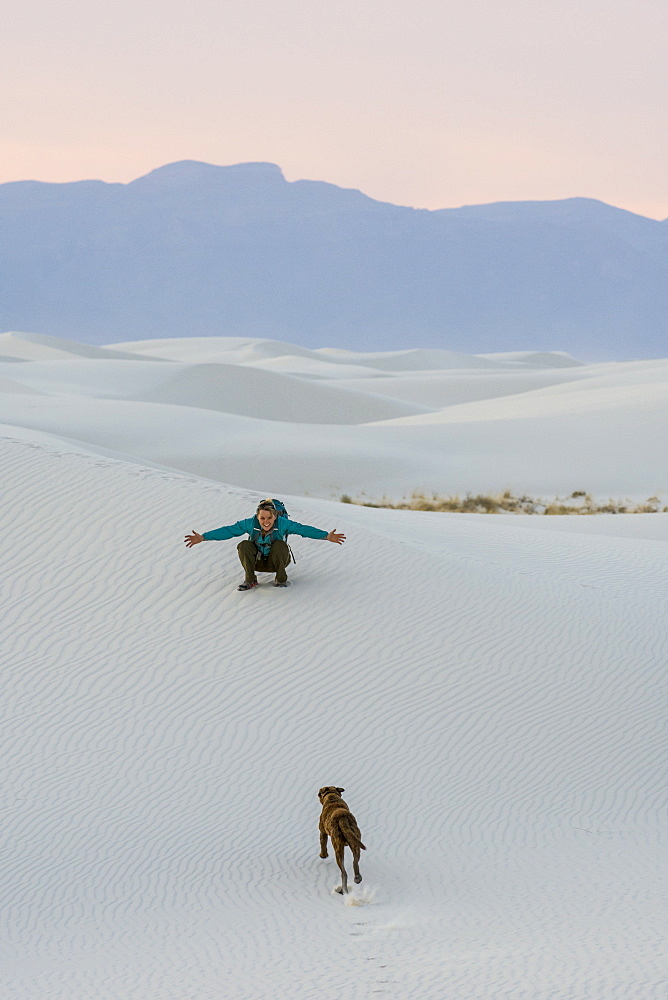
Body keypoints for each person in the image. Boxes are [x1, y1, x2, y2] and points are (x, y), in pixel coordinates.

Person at [184, 499, 346, 590]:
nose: (266, 521)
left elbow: (303, 529)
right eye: (262, 518)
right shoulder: (249, 523)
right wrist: (204, 537)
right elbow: (229, 530)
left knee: (280, 545)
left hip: (277, 562)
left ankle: (281, 579)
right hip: (258, 562)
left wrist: (325, 536)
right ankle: (250, 580)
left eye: (269, 518)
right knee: (244, 545)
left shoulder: (283, 523)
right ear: (257, 517)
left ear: (275, 517)